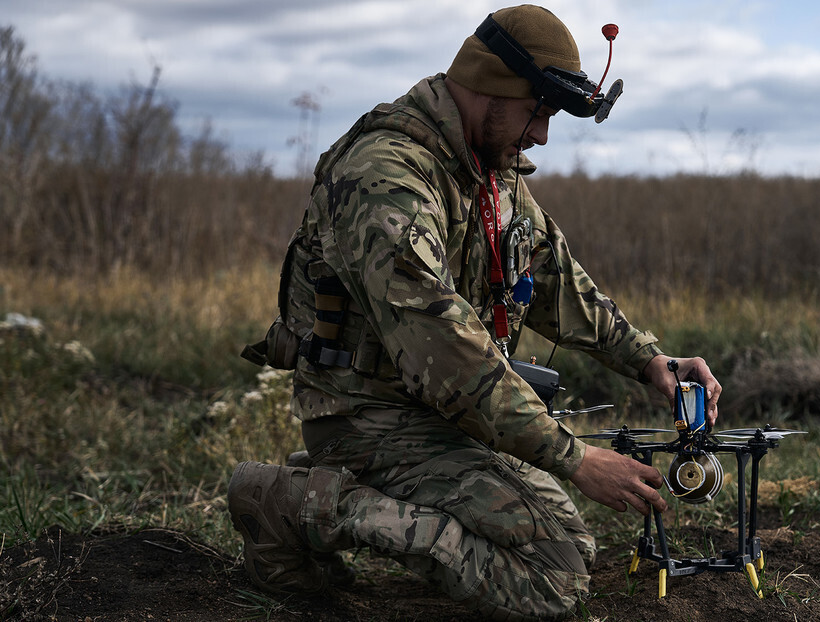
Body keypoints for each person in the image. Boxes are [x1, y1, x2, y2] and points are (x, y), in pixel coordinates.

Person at [227, 5, 721, 621]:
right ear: (491, 85)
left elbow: (553, 281)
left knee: (555, 533)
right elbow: (446, 350)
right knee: (554, 574)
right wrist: (575, 458)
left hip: (438, 412)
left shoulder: (490, 172)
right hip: (370, 415)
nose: (541, 134)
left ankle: (338, 491)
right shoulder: (388, 178)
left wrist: (650, 361)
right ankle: (293, 503)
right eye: (537, 111)